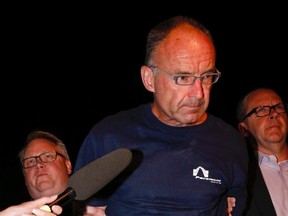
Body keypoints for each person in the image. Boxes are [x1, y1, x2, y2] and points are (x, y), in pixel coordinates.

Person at [74, 15, 248, 215]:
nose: (199, 93)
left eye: (207, 77)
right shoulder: (107, 137)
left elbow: (233, 207)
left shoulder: (230, 142)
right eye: (183, 77)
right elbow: (90, 211)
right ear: (149, 79)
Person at [236, 88, 288, 216]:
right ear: (244, 129)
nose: (274, 114)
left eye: (279, 107)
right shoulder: (238, 176)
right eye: (261, 110)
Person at [18, 130, 73, 216]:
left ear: (67, 166)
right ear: (25, 177)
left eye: (48, 156)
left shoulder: (96, 209)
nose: (38, 164)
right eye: (30, 162)